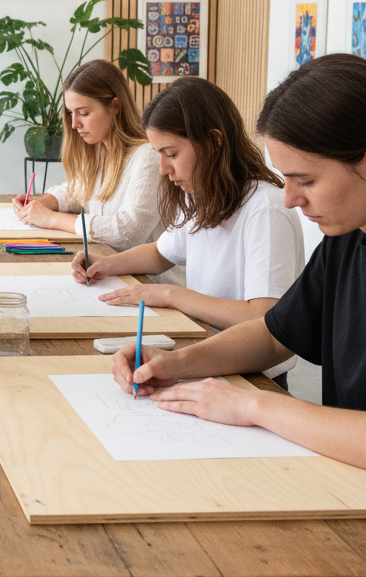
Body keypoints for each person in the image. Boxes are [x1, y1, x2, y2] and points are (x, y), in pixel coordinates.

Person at [110, 52, 366, 577]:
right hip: (341, 486)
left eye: (305, 179)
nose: (291, 200)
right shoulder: (346, 242)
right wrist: (179, 362)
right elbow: (276, 333)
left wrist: (253, 404)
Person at [73, 75, 303, 384]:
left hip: (253, 374)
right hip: (205, 353)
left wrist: (173, 295)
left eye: (171, 154)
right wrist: (105, 264)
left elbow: (264, 319)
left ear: (213, 143)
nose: (163, 169)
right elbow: (161, 253)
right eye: (159, 154)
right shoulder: (200, 194)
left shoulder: (266, 209)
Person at [11, 60, 183, 284]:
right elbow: (78, 190)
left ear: (115, 106)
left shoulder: (148, 156)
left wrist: (51, 219)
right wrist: (46, 201)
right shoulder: (101, 151)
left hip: (150, 283)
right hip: (113, 276)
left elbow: (128, 231)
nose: (74, 124)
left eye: (83, 113)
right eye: (71, 113)